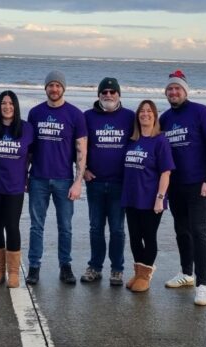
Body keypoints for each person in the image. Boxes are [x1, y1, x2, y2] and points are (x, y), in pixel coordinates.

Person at [160, 69, 206, 306]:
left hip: (199, 184)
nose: (173, 92)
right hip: (176, 185)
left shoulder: (201, 112)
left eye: (177, 89)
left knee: (199, 232)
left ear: (185, 91)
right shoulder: (165, 118)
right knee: (181, 231)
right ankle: (186, 273)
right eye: (170, 89)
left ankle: (203, 284)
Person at [26, 71, 88, 285]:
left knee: (66, 226)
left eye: (58, 85)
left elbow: (82, 149)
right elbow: (29, 149)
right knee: (36, 226)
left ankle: (66, 266)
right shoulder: (35, 113)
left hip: (64, 179)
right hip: (38, 178)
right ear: (45, 88)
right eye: (50, 85)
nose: (54, 89)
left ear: (64, 88)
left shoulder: (75, 114)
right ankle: (34, 267)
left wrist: (78, 181)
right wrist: (26, 174)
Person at [81, 77, 134, 286]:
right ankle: (95, 267)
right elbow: (76, 145)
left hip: (119, 184)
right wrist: (83, 169)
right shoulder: (87, 117)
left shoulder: (130, 117)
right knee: (95, 227)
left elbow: (143, 141)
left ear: (119, 95)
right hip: (94, 183)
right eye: (105, 92)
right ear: (99, 95)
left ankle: (117, 269)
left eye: (113, 92)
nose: (109, 95)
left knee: (117, 229)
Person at [0, 90, 34, 288]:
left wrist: (28, 174)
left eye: (10, 103)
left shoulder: (27, 128)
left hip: (15, 185)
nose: (7, 106)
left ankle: (13, 272)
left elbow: (32, 154)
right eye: (3, 103)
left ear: (16, 106)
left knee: (12, 225)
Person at [122, 100, 174, 293]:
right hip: (131, 197)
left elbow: (165, 172)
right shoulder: (132, 140)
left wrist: (160, 197)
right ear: (137, 115)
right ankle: (138, 272)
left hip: (151, 199)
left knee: (149, 237)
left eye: (149, 111)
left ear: (155, 115)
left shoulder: (160, 140)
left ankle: (145, 276)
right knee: (135, 237)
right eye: (142, 111)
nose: (145, 114)